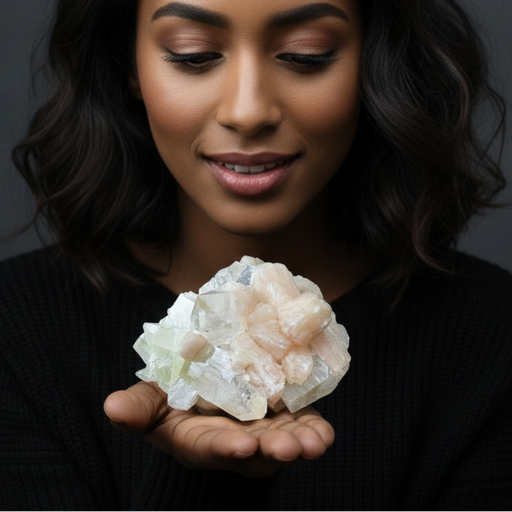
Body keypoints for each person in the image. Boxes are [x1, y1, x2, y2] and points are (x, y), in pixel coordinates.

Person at [1, 0, 511, 510]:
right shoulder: (15, 329)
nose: (247, 112)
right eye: (193, 55)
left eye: (305, 55)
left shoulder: (494, 337)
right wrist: (194, 483)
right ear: (128, 66)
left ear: (374, 63)